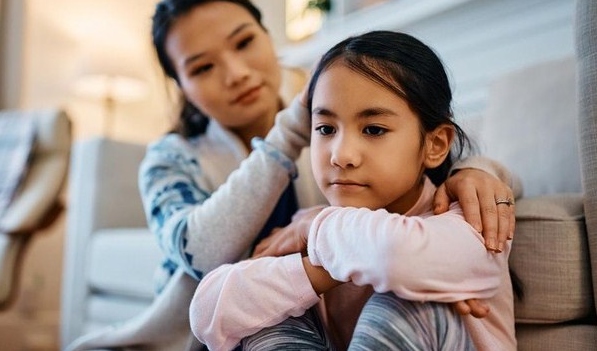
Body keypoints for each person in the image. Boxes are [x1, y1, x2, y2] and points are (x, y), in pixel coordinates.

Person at [67, 0, 519, 351]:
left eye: (244, 43)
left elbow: (443, 156)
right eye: (203, 68)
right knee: (260, 325)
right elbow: (204, 262)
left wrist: (474, 172)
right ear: (182, 86)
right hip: (214, 332)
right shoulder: (173, 160)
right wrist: (291, 133)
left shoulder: (353, 125)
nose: (236, 72)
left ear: (269, 38)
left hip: (349, 298)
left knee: (402, 303)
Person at [189, 31, 516, 350]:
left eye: (374, 129)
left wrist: (313, 232)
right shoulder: (317, 229)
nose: (340, 155)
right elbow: (207, 309)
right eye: (325, 129)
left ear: (435, 144)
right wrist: (316, 267)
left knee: (410, 306)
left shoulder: (473, 220)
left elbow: (395, 255)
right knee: (265, 317)